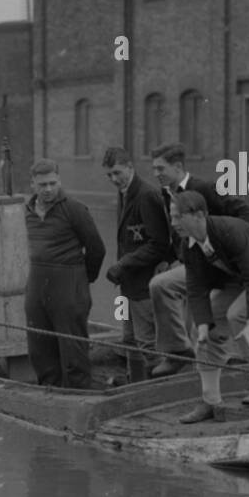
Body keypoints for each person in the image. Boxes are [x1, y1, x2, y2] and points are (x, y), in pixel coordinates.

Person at [169, 190, 249, 424]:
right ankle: (210, 401)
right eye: (172, 217)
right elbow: (197, 287)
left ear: (199, 215)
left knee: (238, 314)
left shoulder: (230, 231)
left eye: (178, 217)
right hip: (238, 279)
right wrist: (202, 326)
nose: (173, 223)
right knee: (206, 328)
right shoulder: (188, 244)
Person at [148, 141, 249, 378]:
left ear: (177, 167)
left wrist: (236, 250)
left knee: (163, 287)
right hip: (193, 264)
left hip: (219, 267)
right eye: (154, 169)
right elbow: (176, 231)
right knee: (171, 293)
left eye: (160, 169)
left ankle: (185, 355)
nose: (155, 174)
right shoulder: (167, 194)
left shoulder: (205, 188)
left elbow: (244, 212)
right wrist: (174, 257)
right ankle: (182, 355)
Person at [22, 159, 105, 389]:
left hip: (69, 283)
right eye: (42, 185)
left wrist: (81, 280)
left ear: (59, 181)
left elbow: (97, 248)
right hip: (38, 284)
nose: (48, 189)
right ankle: (50, 390)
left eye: (52, 183)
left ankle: (79, 394)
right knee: (39, 344)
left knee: (73, 347)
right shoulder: (27, 210)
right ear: (32, 185)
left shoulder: (74, 209)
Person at [102, 146, 171, 383]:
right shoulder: (124, 193)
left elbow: (160, 244)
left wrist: (123, 264)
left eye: (117, 173)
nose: (113, 179)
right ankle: (136, 382)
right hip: (127, 284)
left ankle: (158, 388)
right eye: (109, 175)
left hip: (144, 283)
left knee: (147, 340)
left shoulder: (147, 195)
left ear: (130, 167)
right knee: (129, 339)